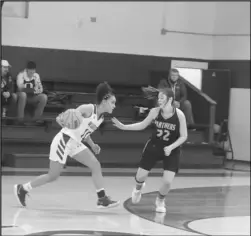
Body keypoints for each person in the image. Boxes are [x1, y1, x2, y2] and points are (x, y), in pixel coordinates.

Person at [14, 82, 120, 209]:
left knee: (95, 165)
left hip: (75, 143)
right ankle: (23, 188)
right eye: (112, 102)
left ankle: (102, 199)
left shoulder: (101, 118)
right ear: (104, 100)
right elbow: (69, 115)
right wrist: (63, 118)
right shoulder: (89, 109)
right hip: (64, 140)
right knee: (53, 175)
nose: (114, 106)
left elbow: (85, 132)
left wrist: (92, 145)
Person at [112, 86, 187, 213]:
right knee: (140, 177)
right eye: (158, 98)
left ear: (170, 99)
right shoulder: (155, 112)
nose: (159, 100)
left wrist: (171, 147)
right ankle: (138, 188)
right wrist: (124, 127)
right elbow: (142, 125)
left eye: (162, 98)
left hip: (172, 150)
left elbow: (184, 136)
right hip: (154, 146)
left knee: (167, 181)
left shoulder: (179, 115)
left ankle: (160, 200)